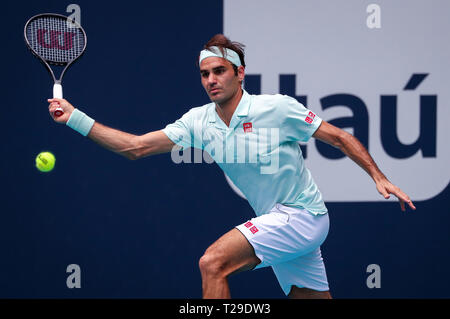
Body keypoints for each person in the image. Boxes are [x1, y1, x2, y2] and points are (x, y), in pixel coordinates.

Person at [47, 34, 416, 299]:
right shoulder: (198, 120)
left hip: (302, 216)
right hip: (280, 222)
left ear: (240, 74)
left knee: (213, 263)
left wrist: (378, 177)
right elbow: (136, 148)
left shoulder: (277, 108)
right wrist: (75, 117)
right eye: (205, 74)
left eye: (219, 71)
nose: (211, 80)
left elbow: (337, 136)